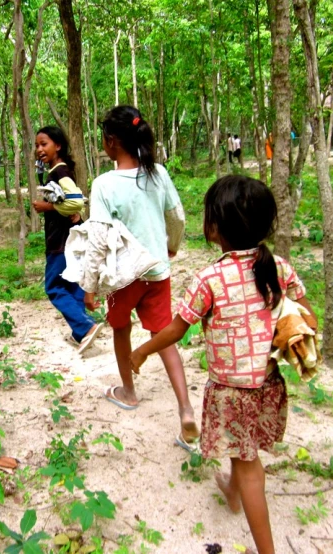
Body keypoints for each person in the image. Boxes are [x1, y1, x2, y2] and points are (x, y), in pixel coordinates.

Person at [130, 175, 317, 554]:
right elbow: (308, 318)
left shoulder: (210, 279)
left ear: (214, 227)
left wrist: (143, 351)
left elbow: (177, 330)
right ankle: (232, 492)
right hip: (267, 385)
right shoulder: (278, 266)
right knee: (244, 451)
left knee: (249, 465)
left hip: (232, 393)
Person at [81, 105, 197, 444]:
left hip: (123, 277)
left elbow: (98, 237)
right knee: (164, 336)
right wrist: (171, 246)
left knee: (121, 329)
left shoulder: (104, 184)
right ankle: (186, 408)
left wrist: (89, 287)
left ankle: (129, 392)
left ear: (112, 141)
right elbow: (177, 216)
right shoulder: (158, 173)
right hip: (157, 271)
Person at [33, 126, 103, 354]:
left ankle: (85, 326)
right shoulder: (59, 170)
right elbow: (74, 199)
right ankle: (79, 332)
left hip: (60, 242)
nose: (39, 149)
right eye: (37, 145)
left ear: (58, 146)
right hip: (69, 239)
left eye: (44, 144)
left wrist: (46, 207)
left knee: (53, 287)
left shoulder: (59, 172)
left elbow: (76, 202)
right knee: (72, 285)